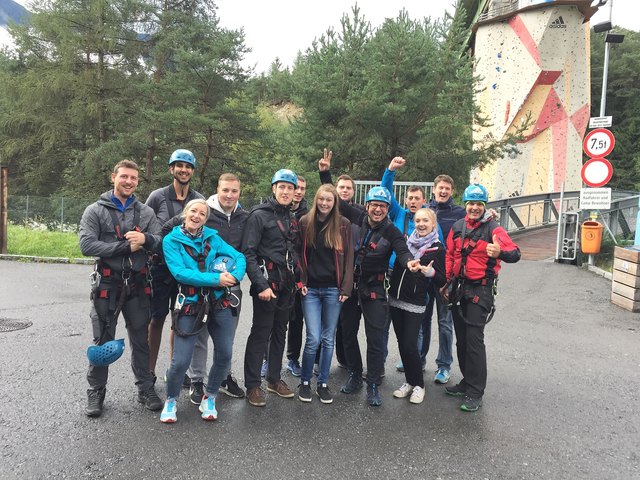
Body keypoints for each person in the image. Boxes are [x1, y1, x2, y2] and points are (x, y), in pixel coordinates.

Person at [79, 160, 164, 417]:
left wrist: (146, 239)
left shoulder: (146, 212)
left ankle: (145, 388)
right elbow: (87, 245)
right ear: (113, 177)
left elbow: (159, 242)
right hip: (107, 284)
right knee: (102, 339)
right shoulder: (94, 211)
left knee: (141, 339)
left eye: (133, 178)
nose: (129, 182)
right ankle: (96, 391)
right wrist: (126, 247)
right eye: (124, 177)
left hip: (138, 284)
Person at [160, 199, 246, 423]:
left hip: (219, 303)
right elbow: (180, 273)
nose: (197, 216)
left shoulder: (212, 238)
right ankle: (171, 399)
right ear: (185, 214)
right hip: (190, 304)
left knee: (225, 353)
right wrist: (216, 279)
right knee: (180, 360)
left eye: (202, 214)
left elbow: (239, 257)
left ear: (206, 219)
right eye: (193, 212)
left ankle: (211, 395)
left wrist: (234, 277)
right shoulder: (171, 241)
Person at [334, 184, 420, 406]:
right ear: (367, 205)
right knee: (348, 333)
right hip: (351, 288)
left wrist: (409, 261)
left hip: (375, 288)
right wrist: (326, 174)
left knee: (375, 338)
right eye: (374, 205)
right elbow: (339, 202)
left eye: (382, 206)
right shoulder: (357, 217)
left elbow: (402, 249)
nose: (378, 210)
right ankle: (354, 374)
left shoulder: (391, 231)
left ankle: (372, 383)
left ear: (387, 208)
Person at [442, 184, 520, 412]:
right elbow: (450, 254)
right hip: (459, 288)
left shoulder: (493, 229)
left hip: (480, 289)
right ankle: (467, 380)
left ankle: (475, 391)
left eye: (479, 204)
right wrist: (447, 282)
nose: (475, 208)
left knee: (474, 340)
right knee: (462, 340)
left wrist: (500, 253)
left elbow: (515, 253)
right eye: (471, 204)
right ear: (465, 205)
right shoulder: (457, 227)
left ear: (485, 206)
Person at [185, 173, 248, 402]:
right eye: (225, 190)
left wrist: (235, 276)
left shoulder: (245, 217)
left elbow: (246, 252)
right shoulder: (203, 213)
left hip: (231, 287)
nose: (229, 195)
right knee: (199, 335)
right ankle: (197, 381)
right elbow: (176, 234)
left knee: (226, 337)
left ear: (239, 192)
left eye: (234, 191)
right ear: (217, 189)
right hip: (201, 287)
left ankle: (223, 376)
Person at [242, 169, 302, 407]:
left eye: (290, 187)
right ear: (274, 189)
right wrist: (261, 284)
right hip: (267, 285)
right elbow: (248, 252)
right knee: (261, 333)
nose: (286, 191)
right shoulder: (259, 215)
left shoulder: (291, 216)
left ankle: (274, 379)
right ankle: (252, 385)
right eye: (282, 187)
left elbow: (293, 249)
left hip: (287, 285)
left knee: (280, 332)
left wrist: (298, 278)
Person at [145, 149, 203, 385]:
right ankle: (148, 374)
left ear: (192, 171)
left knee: (180, 320)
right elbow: (149, 231)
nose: (184, 170)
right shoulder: (157, 197)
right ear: (171, 169)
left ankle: (175, 370)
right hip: (160, 269)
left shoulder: (198, 199)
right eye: (179, 165)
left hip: (186, 271)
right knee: (156, 319)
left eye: (188, 166)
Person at [296, 184, 354, 404]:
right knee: (313, 338)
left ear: (335, 202)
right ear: (316, 200)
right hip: (310, 289)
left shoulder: (344, 225)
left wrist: (346, 287)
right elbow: (298, 255)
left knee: (328, 339)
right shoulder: (305, 222)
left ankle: (322, 383)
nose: (325, 203)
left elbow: (349, 258)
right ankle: (304, 382)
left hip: (333, 289)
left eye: (329, 200)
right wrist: (300, 280)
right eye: (322, 199)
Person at [388, 208, 446, 404]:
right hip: (395, 299)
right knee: (402, 344)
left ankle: (419, 385)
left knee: (410, 345)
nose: (421, 224)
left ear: (433, 224)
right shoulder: (406, 242)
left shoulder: (437, 248)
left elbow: (441, 278)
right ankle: (409, 382)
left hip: (415, 302)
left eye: (425, 221)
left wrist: (430, 274)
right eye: (418, 220)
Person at [423, 174, 466, 384]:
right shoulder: (425, 210)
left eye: (447, 188)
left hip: (446, 277)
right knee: (420, 320)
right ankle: (418, 359)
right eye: (440, 187)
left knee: (444, 322)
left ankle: (443, 366)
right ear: (434, 189)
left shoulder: (459, 213)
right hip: (424, 274)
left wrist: (491, 215)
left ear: (451, 191)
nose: (443, 191)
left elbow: (477, 222)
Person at [284, 175, 308, 377]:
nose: (298, 191)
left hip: (300, 275)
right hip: (278, 274)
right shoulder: (275, 211)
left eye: (302, 188)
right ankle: (267, 359)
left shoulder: (308, 214)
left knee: (296, 320)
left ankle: (293, 359)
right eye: (296, 188)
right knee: (274, 321)